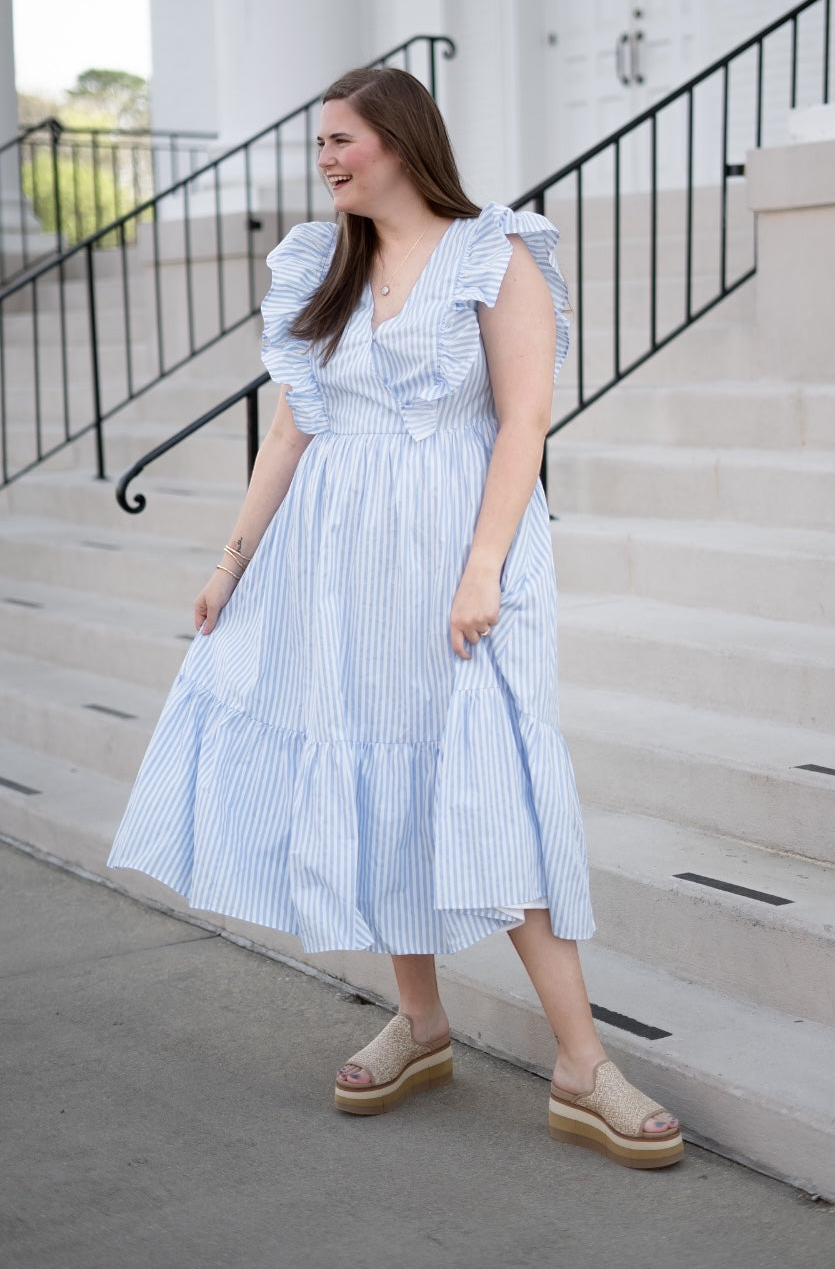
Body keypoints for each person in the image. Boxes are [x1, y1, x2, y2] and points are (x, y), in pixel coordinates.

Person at [108, 66, 682, 1168]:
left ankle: (581, 1061)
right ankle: (419, 1023)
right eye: (318, 143)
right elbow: (291, 433)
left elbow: (524, 426)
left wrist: (483, 570)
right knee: (375, 773)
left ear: (400, 141)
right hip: (336, 562)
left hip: (459, 554)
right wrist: (232, 561)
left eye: (341, 141)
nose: (324, 159)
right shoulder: (321, 265)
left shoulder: (494, 252)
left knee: (488, 781)